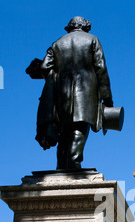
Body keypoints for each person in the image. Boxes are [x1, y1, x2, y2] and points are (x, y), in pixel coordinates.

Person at [28, 16, 113, 170]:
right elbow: (101, 68)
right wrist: (107, 97)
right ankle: (74, 163)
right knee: (79, 127)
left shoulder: (57, 44)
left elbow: (45, 67)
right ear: (84, 27)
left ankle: (61, 165)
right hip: (85, 90)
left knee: (64, 130)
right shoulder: (92, 40)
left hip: (61, 92)